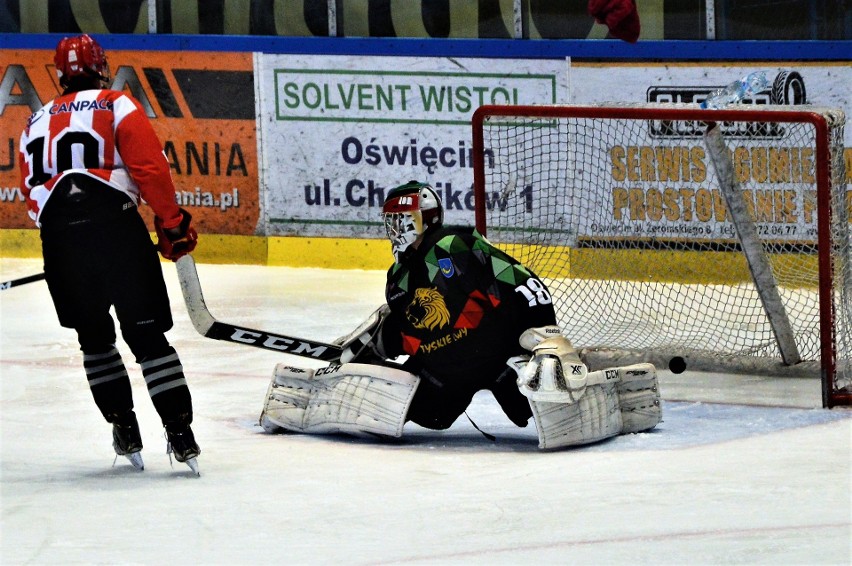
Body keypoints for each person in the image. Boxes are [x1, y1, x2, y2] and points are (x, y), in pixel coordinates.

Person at [260, 181, 661, 449]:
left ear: (426, 220)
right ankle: (312, 402)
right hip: (446, 369)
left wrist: (547, 341)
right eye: (392, 221)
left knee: (539, 401)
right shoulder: (398, 276)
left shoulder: (454, 245)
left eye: (403, 220)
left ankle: (610, 394)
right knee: (427, 413)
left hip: (497, 356)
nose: (396, 228)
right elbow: (411, 328)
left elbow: (520, 280)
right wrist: (373, 347)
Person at [18, 34, 200, 471]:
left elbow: (29, 194)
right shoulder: (115, 104)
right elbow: (150, 169)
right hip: (118, 230)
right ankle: (181, 434)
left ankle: (124, 428)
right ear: (101, 67)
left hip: (61, 242)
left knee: (94, 340)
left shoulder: (35, 120)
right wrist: (172, 223)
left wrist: (69, 240)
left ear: (59, 74)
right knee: (147, 337)